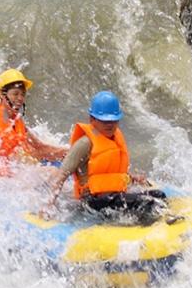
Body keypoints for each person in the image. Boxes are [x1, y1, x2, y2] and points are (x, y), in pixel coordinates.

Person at [40, 91, 166, 224]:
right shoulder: (84, 144)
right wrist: (49, 204)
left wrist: (133, 179)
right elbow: (61, 176)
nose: (110, 125)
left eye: (113, 120)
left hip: (113, 196)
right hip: (93, 200)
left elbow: (110, 172)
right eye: (105, 120)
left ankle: (155, 219)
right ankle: (159, 221)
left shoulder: (115, 139)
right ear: (92, 120)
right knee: (146, 203)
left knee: (159, 196)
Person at [0, 68, 68, 176]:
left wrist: (70, 152)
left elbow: (39, 148)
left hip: (12, 170)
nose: (20, 98)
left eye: (22, 94)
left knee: (58, 169)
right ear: (3, 95)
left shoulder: (16, 120)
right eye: (15, 94)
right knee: (52, 172)